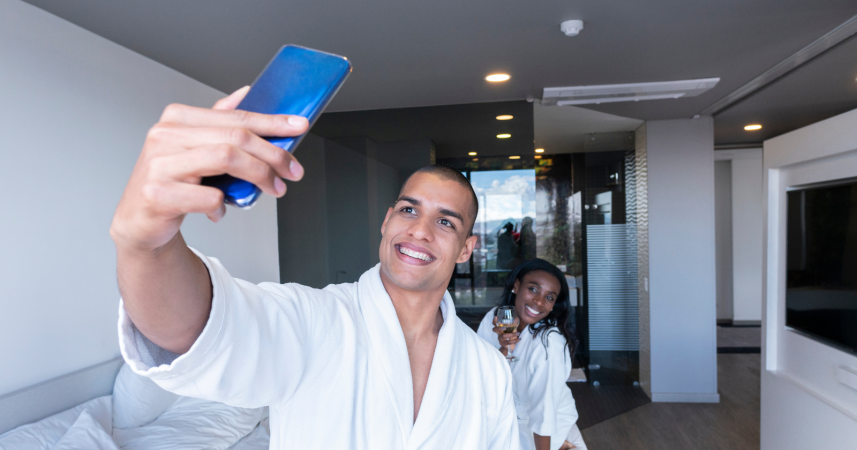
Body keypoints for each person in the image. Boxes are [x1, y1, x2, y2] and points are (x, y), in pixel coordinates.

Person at [110, 87, 520, 449]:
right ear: (387, 221)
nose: (419, 230)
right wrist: (145, 245)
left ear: (466, 249)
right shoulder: (312, 321)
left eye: (445, 222)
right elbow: (200, 328)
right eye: (409, 210)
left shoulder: (487, 369)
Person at [476, 259, 586, 450]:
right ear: (516, 285)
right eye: (533, 289)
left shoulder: (548, 343)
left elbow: (544, 412)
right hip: (504, 419)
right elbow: (481, 379)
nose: (539, 302)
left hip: (546, 429)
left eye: (549, 297)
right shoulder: (494, 318)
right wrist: (504, 349)